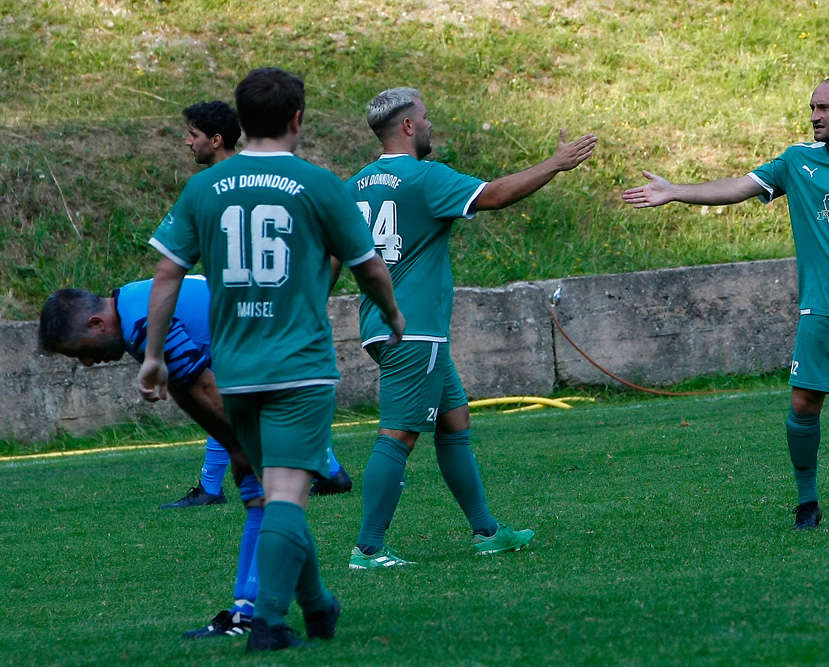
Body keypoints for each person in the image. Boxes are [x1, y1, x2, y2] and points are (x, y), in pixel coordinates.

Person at [138, 67, 405, 652]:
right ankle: (269, 622)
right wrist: (391, 314)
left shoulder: (204, 189)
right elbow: (368, 266)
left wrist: (153, 354)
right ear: (297, 119)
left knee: (275, 490)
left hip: (235, 370)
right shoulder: (318, 183)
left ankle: (318, 606)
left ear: (238, 122)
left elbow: (166, 274)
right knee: (286, 494)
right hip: (300, 366)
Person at [623, 75, 829, 529]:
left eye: (824, 108)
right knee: (803, 404)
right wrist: (676, 192)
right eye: (812, 108)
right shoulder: (796, 161)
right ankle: (807, 504)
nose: (814, 117)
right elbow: (738, 186)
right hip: (820, 309)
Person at [342, 86, 596, 569]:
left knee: (455, 422)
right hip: (414, 331)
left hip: (382, 325)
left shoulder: (357, 183)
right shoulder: (423, 177)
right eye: (426, 117)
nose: (432, 124)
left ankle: (487, 531)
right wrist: (555, 164)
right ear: (409, 126)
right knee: (397, 435)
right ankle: (368, 549)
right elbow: (493, 195)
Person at [38, 278, 263, 637]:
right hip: (268, 356)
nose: (88, 361)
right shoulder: (132, 307)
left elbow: (205, 387)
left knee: (272, 493)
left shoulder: (141, 322)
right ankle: (299, 606)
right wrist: (237, 448)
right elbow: (189, 389)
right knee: (265, 494)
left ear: (96, 324)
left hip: (281, 360)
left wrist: (248, 447)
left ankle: (259, 610)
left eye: (83, 349)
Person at [170, 100, 353, 506]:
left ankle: (222, 489)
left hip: (243, 311)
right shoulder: (284, 178)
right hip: (278, 310)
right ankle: (327, 470)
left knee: (235, 399)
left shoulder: (211, 188)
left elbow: (170, 267)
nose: (187, 142)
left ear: (216, 140)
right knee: (284, 396)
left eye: (194, 135)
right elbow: (340, 248)